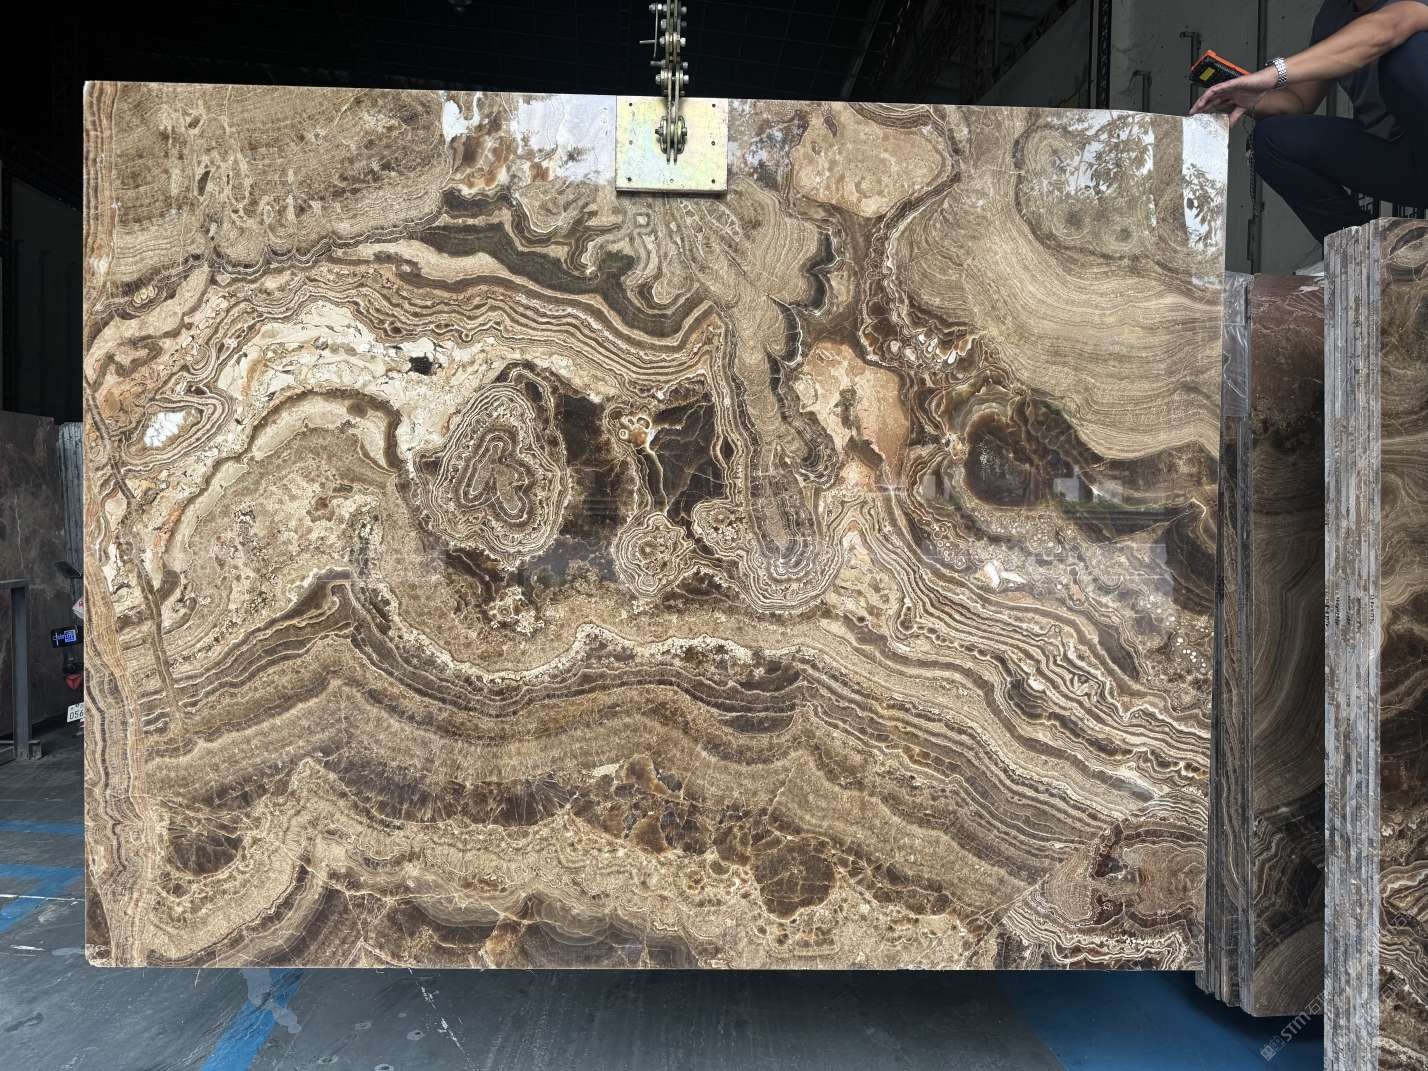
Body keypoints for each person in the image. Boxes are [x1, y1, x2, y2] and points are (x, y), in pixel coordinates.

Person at [1190, 0, 1428, 245]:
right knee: (1271, 139)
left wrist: (1273, 74)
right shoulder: (1334, 14)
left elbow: (1392, 24)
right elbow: (1299, 102)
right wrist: (1249, 98)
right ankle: (1369, 251)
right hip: (1401, 160)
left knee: (1407, 56)